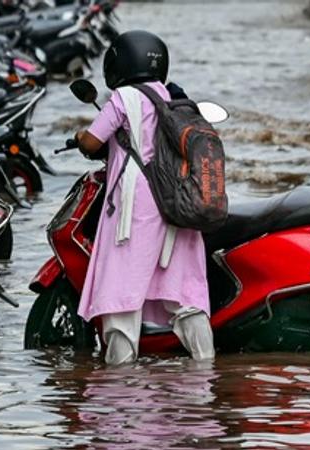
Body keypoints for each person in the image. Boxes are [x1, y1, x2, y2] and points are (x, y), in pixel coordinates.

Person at [74, 30, 215, 365]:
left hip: (136, 206)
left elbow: (92, 142)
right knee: (183, 291)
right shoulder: (173, 96)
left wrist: (79, 136)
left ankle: (120, 378)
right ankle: (205, 367)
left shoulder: (123, 97)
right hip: (177, 200)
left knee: (121, 287)